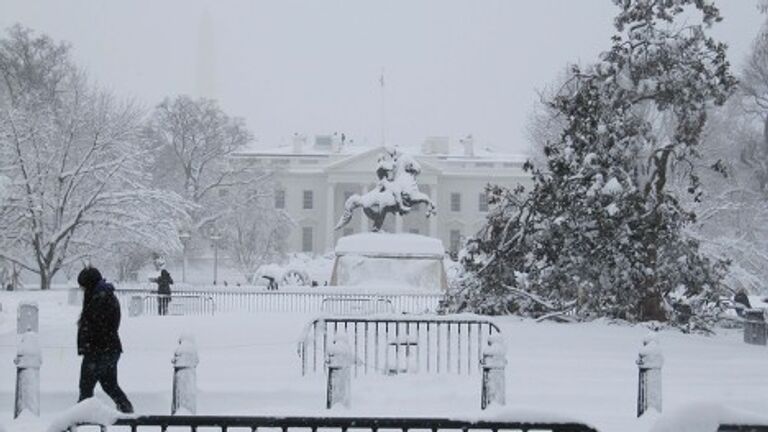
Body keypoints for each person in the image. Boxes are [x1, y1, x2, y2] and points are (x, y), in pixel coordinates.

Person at [77, 267, 134, 413]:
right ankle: (127, 412)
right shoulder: (103, 295)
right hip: (108, 349)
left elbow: (97, 325)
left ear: (89, 284)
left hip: (98, 350)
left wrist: (89, 343)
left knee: (86, 387)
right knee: (109, 385)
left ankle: (78, 419)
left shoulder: (100, 298)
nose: (82, 290)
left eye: (83, 286)